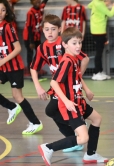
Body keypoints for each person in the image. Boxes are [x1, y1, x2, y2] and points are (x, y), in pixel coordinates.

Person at [38, 27, 108, 166]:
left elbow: (77, 77)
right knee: (83, 138)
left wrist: (87, 90)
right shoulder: (67, 61)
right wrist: (67, 101)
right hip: (71, 104)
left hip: (79, 100)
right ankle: (48, 148)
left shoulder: (75, 59)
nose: (78, 46)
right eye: (74, 43)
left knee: (97, 119)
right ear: (65, 45)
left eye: (79, 43)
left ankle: (91, 154)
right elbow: (54, 82)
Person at [30, 14, 89, 153]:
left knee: (54, 110)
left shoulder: (64, 44)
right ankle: (75, 135)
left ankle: (77, 131)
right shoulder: (42, 48)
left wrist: (76, 76)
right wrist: (38, 86)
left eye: (53, 29)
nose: (50, 32)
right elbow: (33, 68)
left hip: (64, 87)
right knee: (51, 111)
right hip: (55, 86)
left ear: (59, 30)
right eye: (46, 29)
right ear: (42, 30)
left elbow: (84, 59)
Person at [0, 0, 43, 135]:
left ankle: (35, 123)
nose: (0, 13)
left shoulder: (8, 27)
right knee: (15, 99)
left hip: (13, 67)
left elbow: (17, 48)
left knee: (17, 96)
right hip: (3, 67)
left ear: (6, 12)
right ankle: (12, 107)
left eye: (2, 10)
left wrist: (2, 61)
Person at [87, 0, 114, 81]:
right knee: (99, 53)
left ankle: (99, 72)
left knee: (100, 52)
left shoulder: (95, 2)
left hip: (96, 30)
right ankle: (96, 73)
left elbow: (89, 6)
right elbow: (111, 14)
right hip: (99, 31)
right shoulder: (100, 4)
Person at [23, 0, 48, 75]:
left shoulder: (40, 8)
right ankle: (30, 72)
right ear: (31, 2)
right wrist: (31, 42)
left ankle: (36, 69)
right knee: (30, 54)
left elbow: (44, 2)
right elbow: (29, 27)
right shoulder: (30, 13)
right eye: (35, 0)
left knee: (39, 52)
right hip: (29, 38)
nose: (37, 1)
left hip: (37, 37)